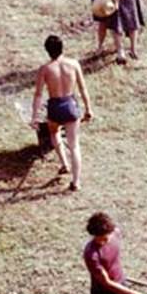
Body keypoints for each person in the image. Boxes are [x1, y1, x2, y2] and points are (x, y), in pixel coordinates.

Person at [31, 34, 93, 192]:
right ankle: (76, 181)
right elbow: (82, 88)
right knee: (74, 145)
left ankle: (64, 164)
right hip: (70, 105)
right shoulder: (73, 64)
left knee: (54, 132)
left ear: (47, 51)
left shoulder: (45, 69)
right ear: (62, 47)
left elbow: (38, 94)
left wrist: (35, 116)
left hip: (55, 107)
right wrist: (88, 108)